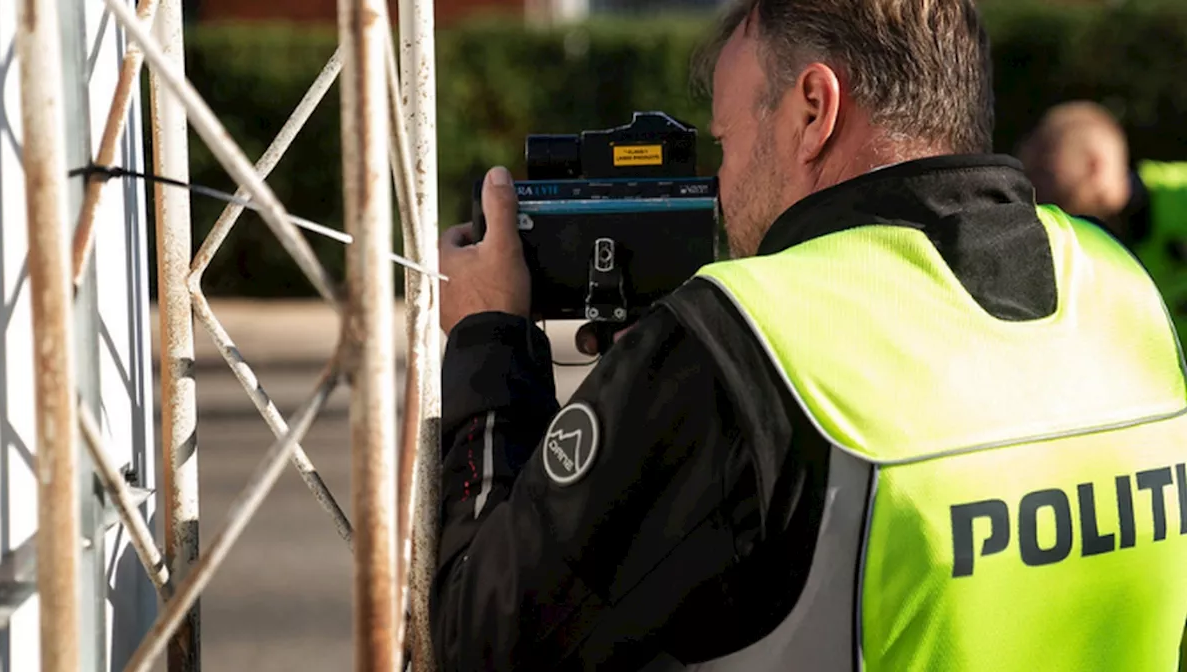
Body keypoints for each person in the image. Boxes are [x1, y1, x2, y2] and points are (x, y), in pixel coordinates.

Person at [431, 0, 1187, 670]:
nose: (719, 191)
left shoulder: (742, 337)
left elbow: (485, 636)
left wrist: (488, 336)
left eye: (725, 143)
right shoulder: (1122, 289)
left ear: (814, 110)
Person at [1018, 100, 1187, 340]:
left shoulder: (1181, 192)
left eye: (1044, 172)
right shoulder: (1068, 252)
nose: (1035, 191)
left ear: (1094, 164)